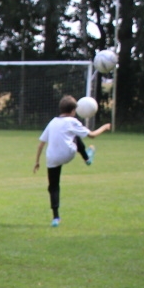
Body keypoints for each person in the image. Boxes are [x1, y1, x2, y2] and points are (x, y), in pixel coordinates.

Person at [34, 96, 111, 227]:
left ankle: (55, 218)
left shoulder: (52, 122)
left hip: (52, 157)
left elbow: (41, 144)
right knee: (76, 134)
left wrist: (37, 162)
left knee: (53, 186)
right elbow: (92, 135)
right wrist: (104, 127)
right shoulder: (72, 121)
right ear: (74, 110)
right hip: (68, 153)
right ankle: (87, 158)